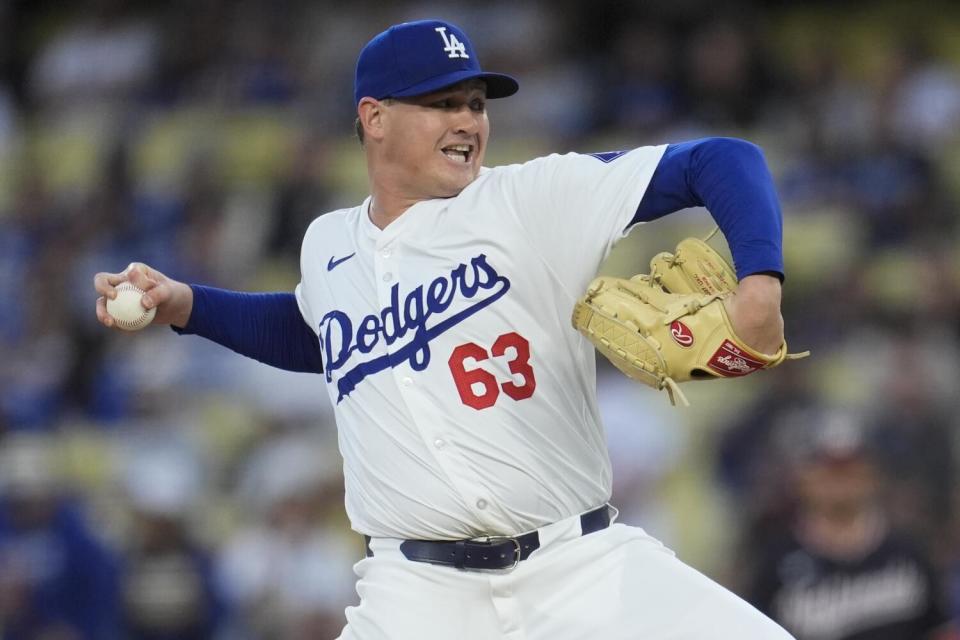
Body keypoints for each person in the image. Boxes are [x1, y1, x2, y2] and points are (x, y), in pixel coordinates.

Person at [95, 19, 794, 639]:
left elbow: (725, 158)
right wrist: (187, 304)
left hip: (577, 565)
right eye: (441, 104)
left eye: (475, 104)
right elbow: (324, 337)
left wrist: (760, 283)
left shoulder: (529, 198)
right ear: (374, 117)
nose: (468, 121)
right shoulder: (327, 242)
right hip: (416, 592)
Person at [745, 410, 953, 640]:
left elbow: (940, 629)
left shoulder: (908, 551)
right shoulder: (775, 563)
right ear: (803, 477)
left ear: (872, 474)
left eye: (850, 467)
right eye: (828, 468)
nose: (840, 480)